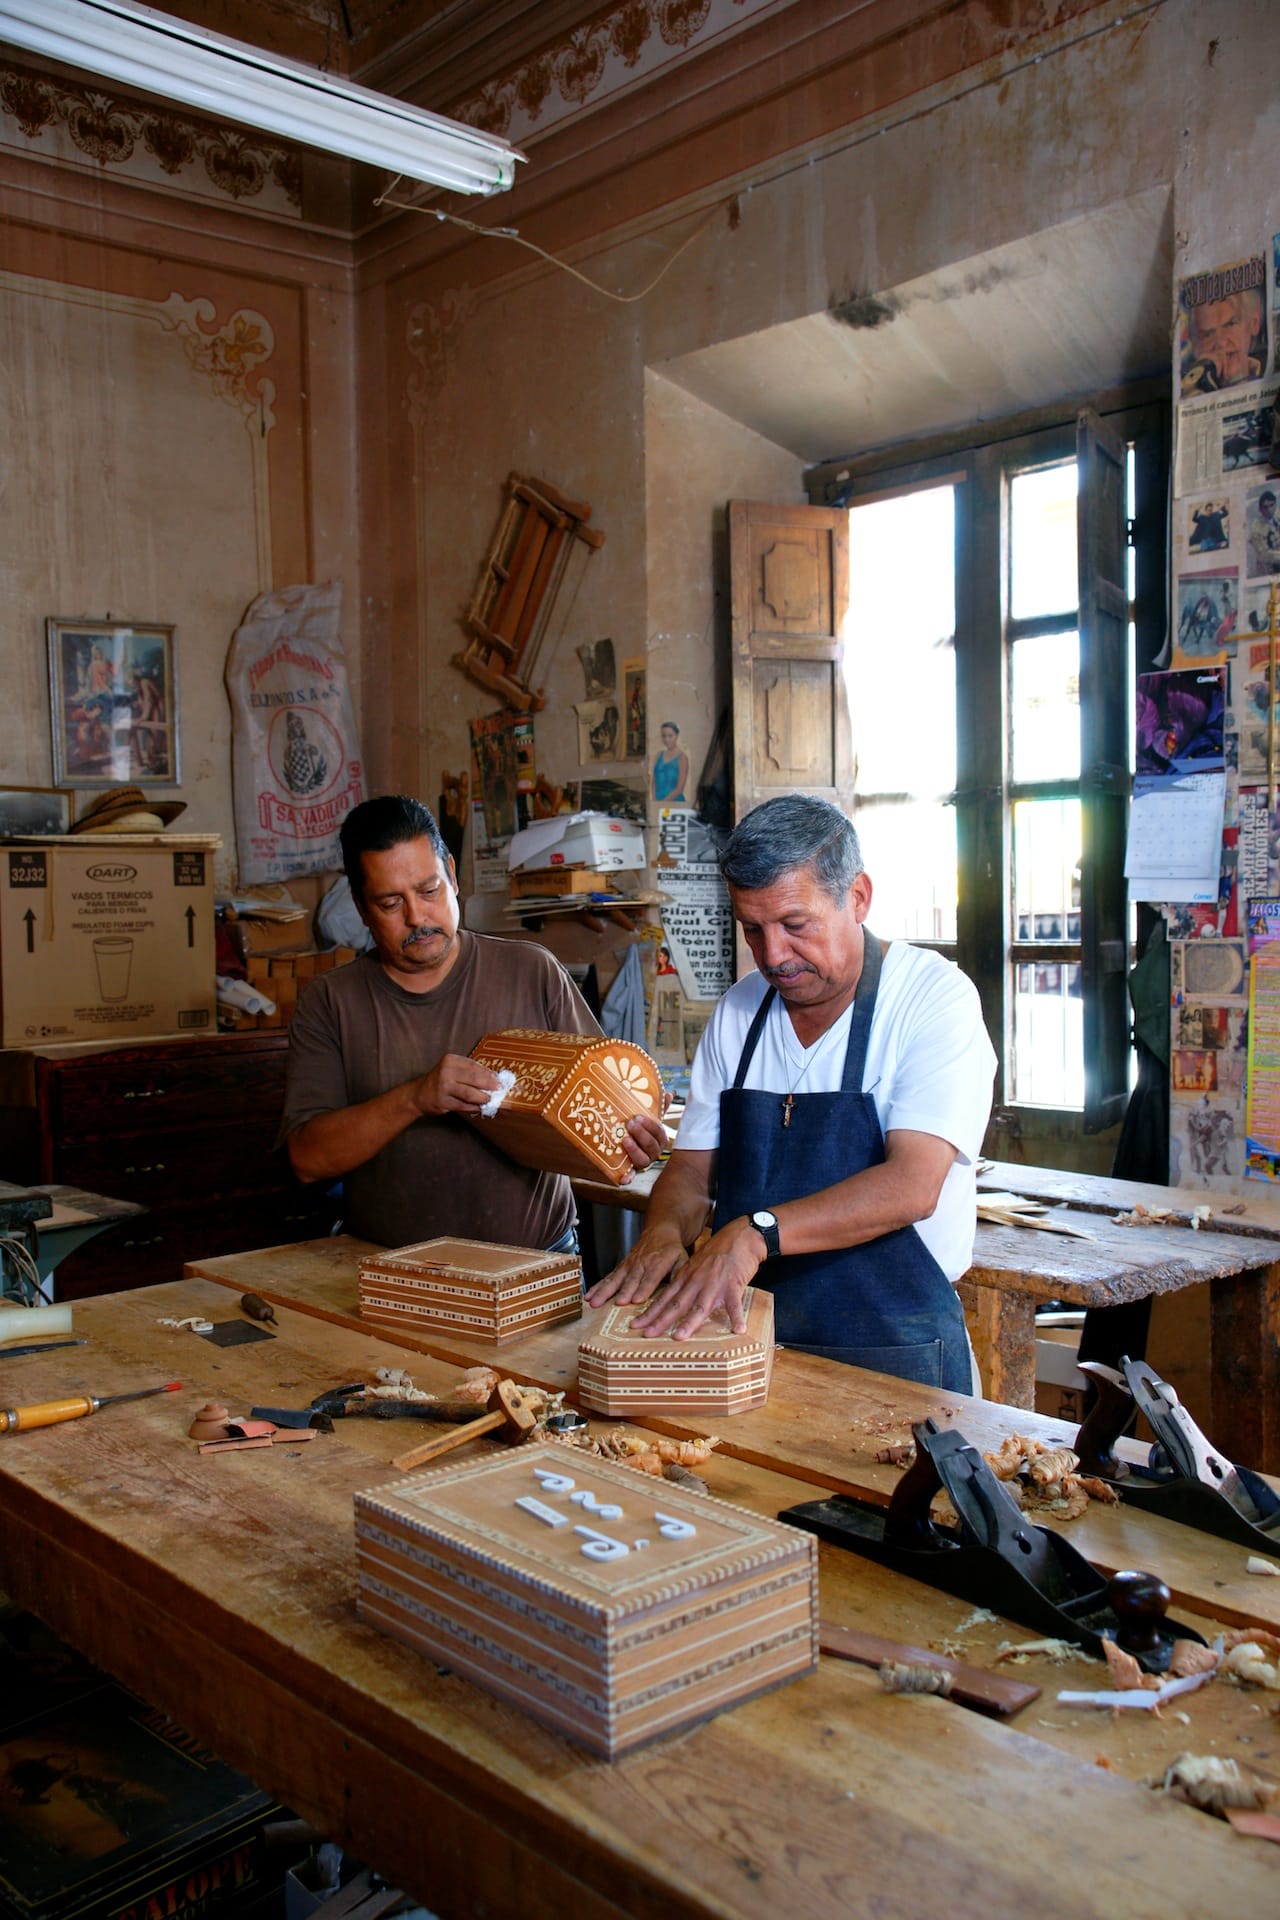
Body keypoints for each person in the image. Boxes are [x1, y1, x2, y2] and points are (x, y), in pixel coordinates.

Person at [588, 795, 996, 1392]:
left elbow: (912, 1185)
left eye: (795, 926)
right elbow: (693, 1171)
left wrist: (755, 1233)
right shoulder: (740, 1012)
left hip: (898, 1351)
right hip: (749, 1342)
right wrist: (664, 1233)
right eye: (753, 929)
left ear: (858, 897)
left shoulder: (932, 999)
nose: (773, 955)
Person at [280, 794, 666, 1250]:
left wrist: (634, 1139)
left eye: (429, 890)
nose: (417, 917)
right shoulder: (330, 1002)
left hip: (540, 1260)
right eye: (389, 903)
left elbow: (611, 1112)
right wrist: (415, 1097)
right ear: (361, 908)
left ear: (451, 874)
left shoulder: (532, 971)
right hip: (394, 1269)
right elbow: (307, 1159)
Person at [1181, 287, 1266, 394]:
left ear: (1254, 323)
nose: (1221, 342)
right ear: (1194, 345)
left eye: (1230, 324)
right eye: (1208, 334)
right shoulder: (1188, 391)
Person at [652, 722, 689, 802]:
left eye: (670, 736)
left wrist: (663, 803)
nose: (667, 739)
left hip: (674, 803)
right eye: (664, 736)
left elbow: (679, 789)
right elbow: (654, 781)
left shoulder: (682, 758)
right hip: (658, 802)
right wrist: (654, 801)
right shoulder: (659, 755)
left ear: (677, 735)